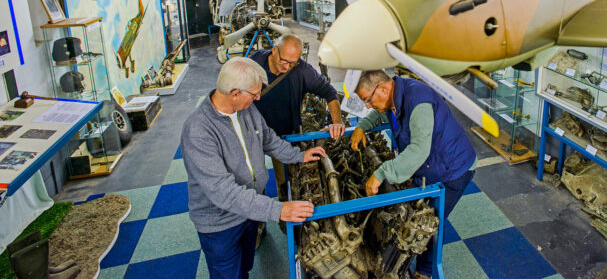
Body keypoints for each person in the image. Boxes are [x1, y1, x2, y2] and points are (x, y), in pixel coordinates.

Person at [181, 57, 327, 279]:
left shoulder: (246, 110)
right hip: (220, 223)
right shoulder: (198, 130)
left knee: (245, 267)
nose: (258, 98)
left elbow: (267, 138)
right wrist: (278, 210)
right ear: (235, 93)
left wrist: (298, 156)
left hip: (250, 213)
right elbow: (224, 192)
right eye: (254, 94)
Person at [350, 70, 477, 279]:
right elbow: (382, 112)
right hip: (432, 165)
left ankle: (424, 272)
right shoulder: (395, 95)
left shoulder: (418, 101)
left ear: (382, 87)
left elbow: (419, 150)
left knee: (428, 222)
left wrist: (381, 173)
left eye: (367, 99)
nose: (367, 105)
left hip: (453, 168)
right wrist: (362, 126)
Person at [249, 34, 344, 196]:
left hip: (282, 136)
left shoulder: (301, 70)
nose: (287, 67)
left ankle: (284, 211)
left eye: (292, 63)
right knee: (253, 178)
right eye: (284, 61)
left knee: (284, 179)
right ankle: (257, 214)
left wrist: (337, 122)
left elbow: (329, 91)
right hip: (252, 132)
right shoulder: (256, 61)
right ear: (274, 50)